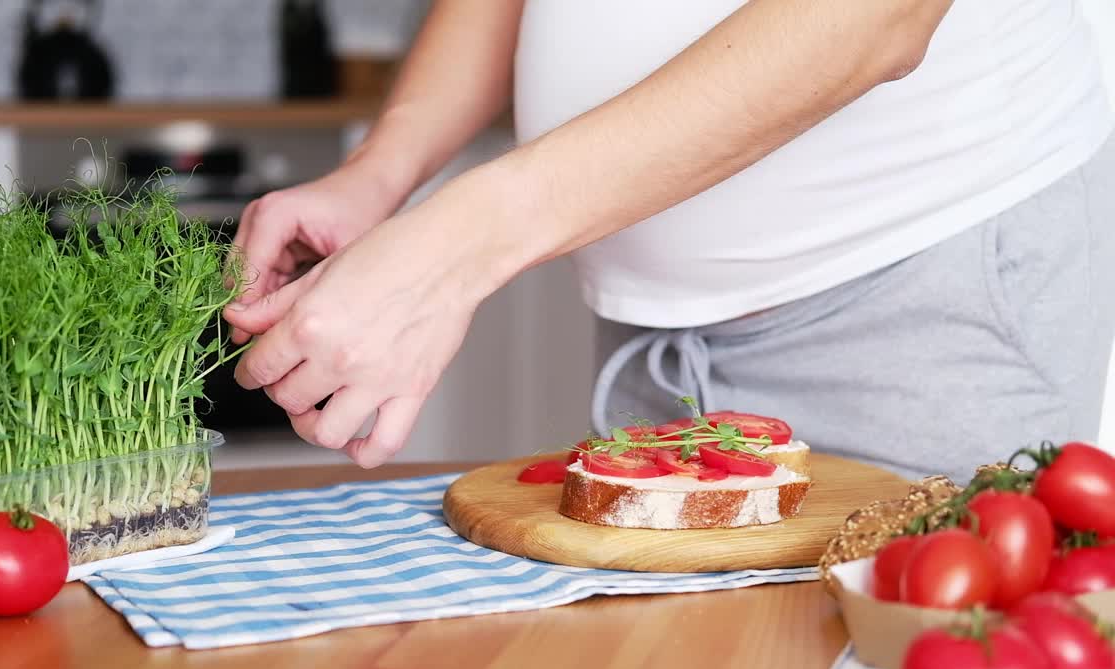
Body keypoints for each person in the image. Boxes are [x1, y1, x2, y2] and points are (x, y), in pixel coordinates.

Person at [223, 0, 1115, 482]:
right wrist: (380, 174)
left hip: (914, 299)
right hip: (653, 337)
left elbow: (874, 17)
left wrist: (463, 237)